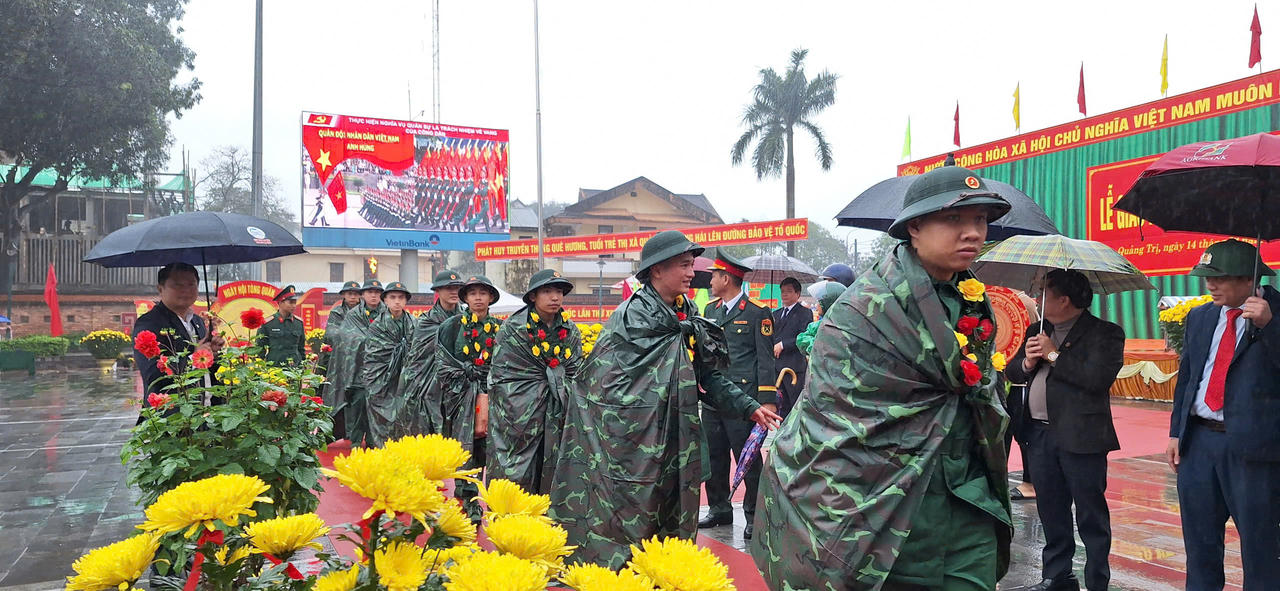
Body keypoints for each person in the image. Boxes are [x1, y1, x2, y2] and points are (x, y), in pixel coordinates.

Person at [752, 165, 1014, 590]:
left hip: (968, 499)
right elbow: (833, 414)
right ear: (914, 227)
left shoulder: (974, 300)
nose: (972, 232)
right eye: (954, 219)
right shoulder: (863, 310)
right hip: (889, 508)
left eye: (980, 220)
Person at [550, 230, 782, 568]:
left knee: (676, 511)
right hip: (633, 443)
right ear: (657, 269)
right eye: (683, 265)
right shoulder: (631, 318)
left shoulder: (687, 314)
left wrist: (750, 407)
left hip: (678, 435)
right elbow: (605, 386)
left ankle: (667, 572)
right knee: (636, 514)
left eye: (690, 264)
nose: (691, 272)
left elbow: (708, 376)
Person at [1166, 239, 1280, 590]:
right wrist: (1176, 432)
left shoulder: (1274, 313)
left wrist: (1270, 326)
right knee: (1200, 544)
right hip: (1199, 444)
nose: (1210, 285)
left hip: (1254, 450)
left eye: (1220, 278)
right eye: (1207, 278)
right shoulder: (1200, 316)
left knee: (1262, 547)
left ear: (1249, 278)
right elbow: (1188, 377)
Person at [1004, 269, 1124, 591]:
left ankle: (1097, 581)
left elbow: (1096, 379)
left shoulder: (1105, 333)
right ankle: (1057, 577)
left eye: (1043, 292)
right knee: (1051, 510)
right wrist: (1028, 363)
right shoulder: (1037, 329)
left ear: (1064, 300)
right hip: (1039, 435)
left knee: (1090, 515)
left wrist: (1053, 355)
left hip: (1082, 438)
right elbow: (1013, 371)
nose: (1037, 299)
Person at [698, 248, 778, 540]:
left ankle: (755, 515)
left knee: (748, 459)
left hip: (744, 401)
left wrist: (767, 401)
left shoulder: (757, 312)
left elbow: (766, 359)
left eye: (714, 276)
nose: (710, 282)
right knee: (715, 457)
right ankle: (719, 508)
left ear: (727, 279)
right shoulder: (711, 311)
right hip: (714, 398)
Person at [487, 269, 581, 494]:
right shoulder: (514, 329)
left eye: (559, 292)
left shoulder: (570, 330)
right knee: (520, 474)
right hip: (521, 413)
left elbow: (577, 372)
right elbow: (502, 376)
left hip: (559, 410)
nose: (555, 297)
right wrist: (533, 393)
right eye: (547, 292)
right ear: (532, 296)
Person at [435, 275, 503, 519]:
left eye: (483, 293)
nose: (478, 298)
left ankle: (482, 496)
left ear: (491, 297)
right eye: (472, 293)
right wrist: (465, 375)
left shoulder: (501, 328)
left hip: (492, 395)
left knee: (486, 447)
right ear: (465, 298)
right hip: (460, 396)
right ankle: (466, 498)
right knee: (464, 447)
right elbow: (442, 363)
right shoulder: (451, 327)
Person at [132, 263, 225, 418]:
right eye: (177, 285)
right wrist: (194, 357)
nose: (186, 290)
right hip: (171, 417)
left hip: (204, 414)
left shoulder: (197, 321)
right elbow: (153, 375)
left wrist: (213, 353)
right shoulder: (149, 323)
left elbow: (206, 369)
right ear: (160, 289)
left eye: (191, 284)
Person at [397, 269, 465, 436]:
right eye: (448, 288)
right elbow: (417, 358)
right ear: (438, 291)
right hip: (429, 384)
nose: (454, 292)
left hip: (459, 384)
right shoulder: (426, 322)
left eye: (457, 288)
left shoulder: (467, 318)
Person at [359, 281, 414, 448]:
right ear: (385, 300)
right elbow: (373, 355)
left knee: (406, 420)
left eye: (401, 297)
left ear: (406, 301)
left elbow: (419, 352)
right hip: (382, 380)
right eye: (393, 297)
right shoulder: (377, 326)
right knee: (383, 422)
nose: (397, 301)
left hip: (406, 380)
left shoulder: (414, 324)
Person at [321, 281, 362, 441]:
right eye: (349, 293)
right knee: (338, 396)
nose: (353, 296)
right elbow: (331, 333)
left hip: (360, 361)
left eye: (356, 293)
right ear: (344, 295)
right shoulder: (337, 312)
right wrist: (353, 337)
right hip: (340, 361)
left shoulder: (364, 311)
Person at [772, 276, 812, 418]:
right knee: (778, 406)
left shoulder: (805, 313)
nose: (785, 294)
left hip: (794, 367)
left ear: (798, 294)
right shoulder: (775, 314)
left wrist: (783, 344)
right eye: (782, 291)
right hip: (776, 367)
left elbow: (803, 336)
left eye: (789, 291)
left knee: (794, 406)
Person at [794, 280, 847, 356]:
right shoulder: (818, 325)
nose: (817, 305)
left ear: (828, 303)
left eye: (819, 301)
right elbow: (801, 339)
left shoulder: (843, 328)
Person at [259, 285, 306, 366]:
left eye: (295, 302)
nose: (294, 306)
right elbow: (260, 348)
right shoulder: (268, 323)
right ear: (280, 303)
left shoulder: (298, 323)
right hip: (275, 367)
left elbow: (301, 348)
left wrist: (303, 364)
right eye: (290, 302)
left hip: (295, 368)